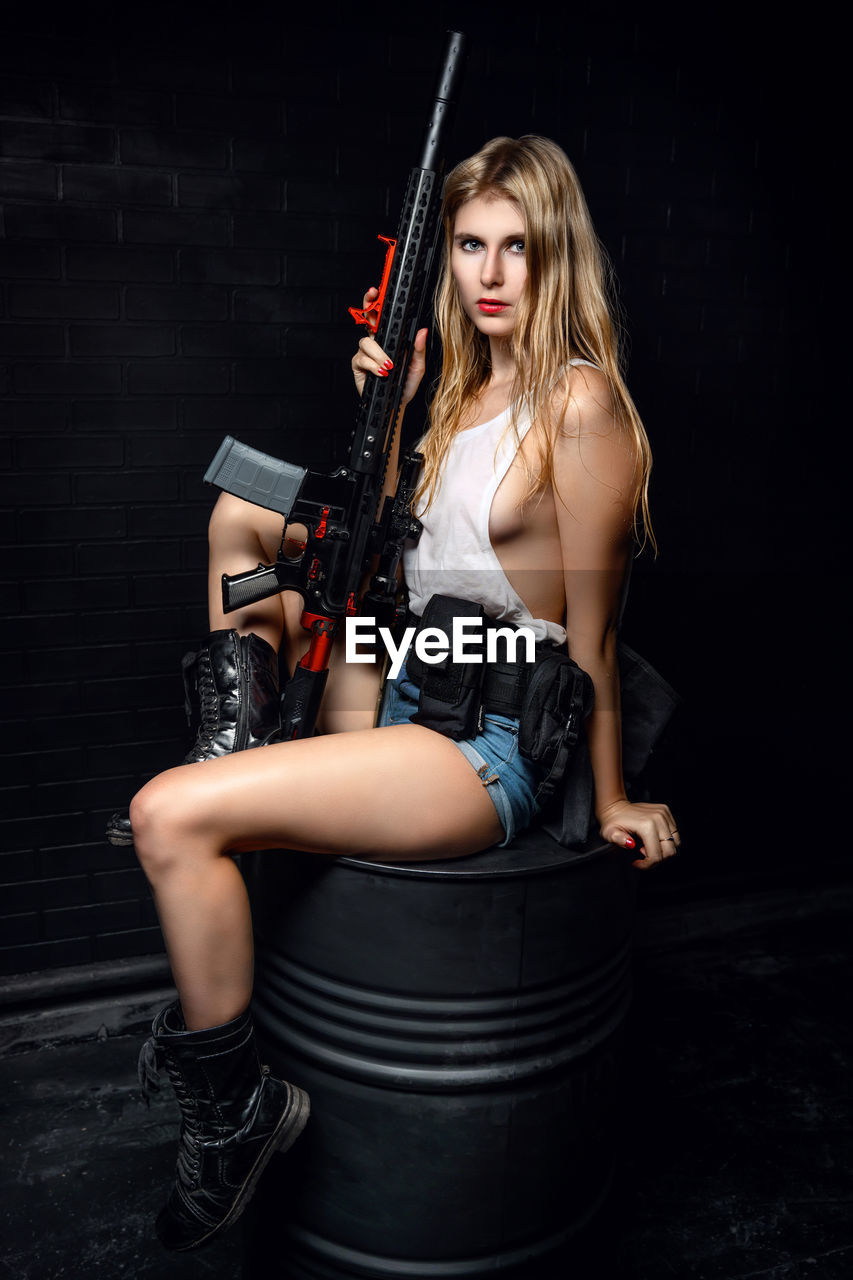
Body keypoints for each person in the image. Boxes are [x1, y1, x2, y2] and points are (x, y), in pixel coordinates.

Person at [121, 135, 679, 1252]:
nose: (488, 273)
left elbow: (595, 629)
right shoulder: (460, 398)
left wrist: (610, 799)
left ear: (554, 255)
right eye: (470, 245)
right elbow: (385, 559)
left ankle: (237, 1112)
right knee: (246, 526)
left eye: (515, 248)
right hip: (393, 665)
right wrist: (394, 412)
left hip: (485, 740)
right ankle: (237, 742)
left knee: (167, 812)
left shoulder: (579, 407)